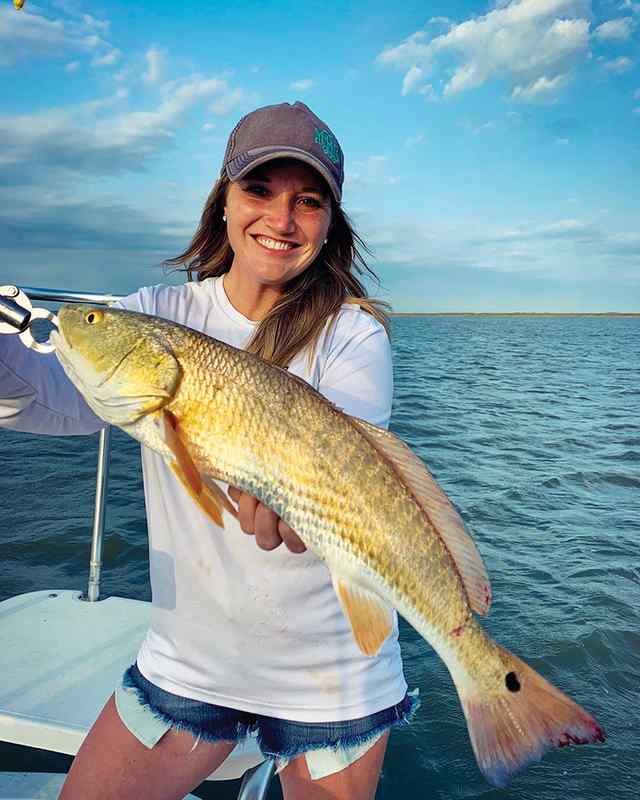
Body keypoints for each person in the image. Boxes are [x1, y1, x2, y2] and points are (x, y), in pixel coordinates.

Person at [0, 101, 415, 800]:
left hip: (332, 670)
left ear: (329, 225)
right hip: (193, 661)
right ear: (221, 202)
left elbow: (344, 466)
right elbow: (48, 398)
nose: (281, 221)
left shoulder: (355, 336)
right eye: (258, 190)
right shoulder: (158, 314)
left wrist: (290, 508)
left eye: (308, 203)